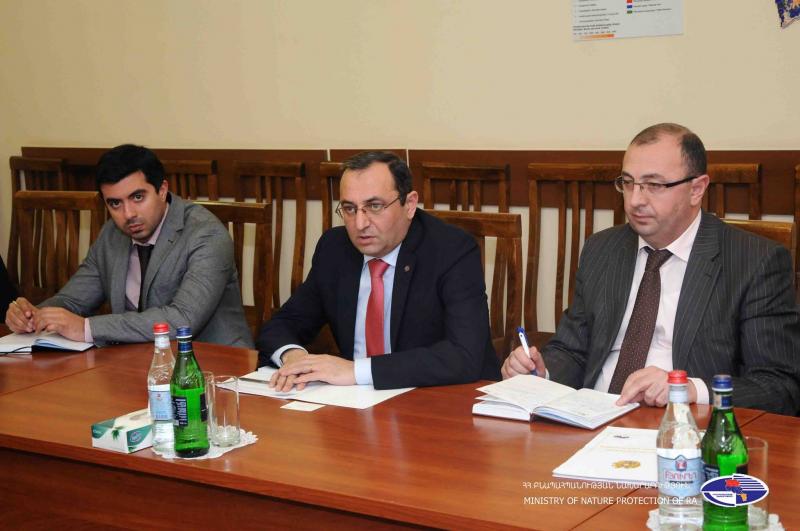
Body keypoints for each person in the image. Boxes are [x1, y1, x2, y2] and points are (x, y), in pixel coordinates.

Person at [502, 123, 800, 415]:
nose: (635, 200)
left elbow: (780, 387)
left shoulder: (754, 261)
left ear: (696, 189)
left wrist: (688, 388)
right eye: (628, 183)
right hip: (592, 417)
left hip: (683, 428)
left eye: (654, 185)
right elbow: (572, 350)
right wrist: (542, 372)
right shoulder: (602, 249)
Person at [257, 151, 500, 390]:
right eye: (349, 208)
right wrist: (294, 356)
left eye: (374, 206)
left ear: (409, 204)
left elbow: (463, 354)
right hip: (355, 400)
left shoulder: (451, 250)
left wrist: (356, 371)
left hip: (439, 398)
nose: (360, 224)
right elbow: (283, 324)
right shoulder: (335, 248)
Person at [4, 144, 253, 348]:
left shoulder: (206, 234)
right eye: (115, 203)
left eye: (137, 197)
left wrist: (87, 328)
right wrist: (33, 315)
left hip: (215, 368)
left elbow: (182, 319)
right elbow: (73, 300)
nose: (128, 214)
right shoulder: (112, 234)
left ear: (162, 190)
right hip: (137, 363)